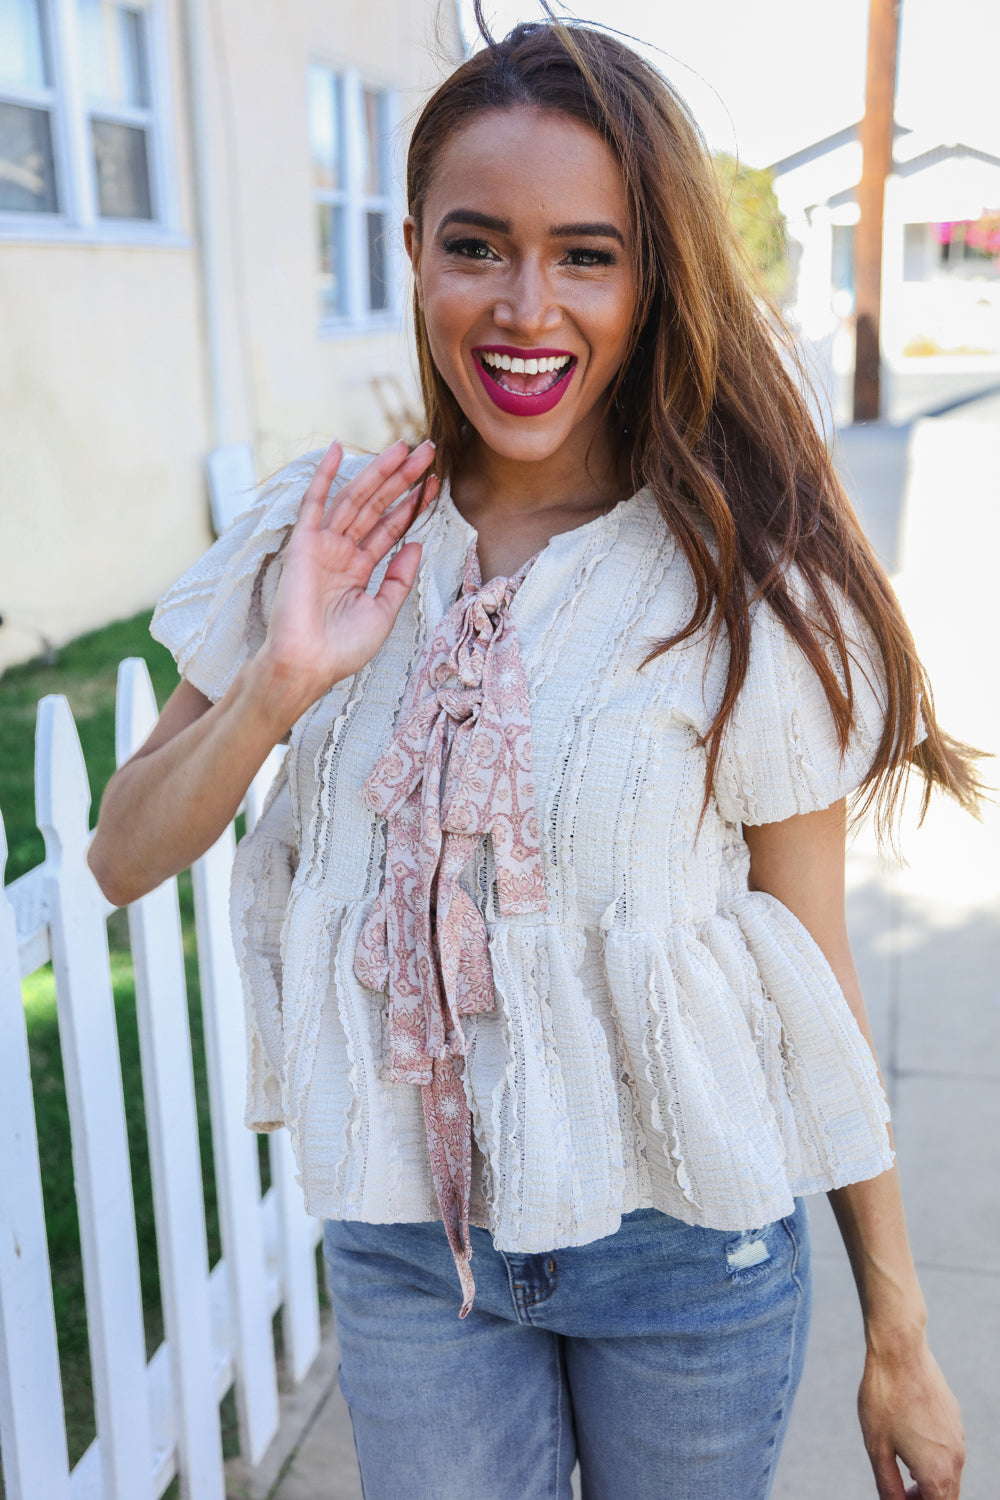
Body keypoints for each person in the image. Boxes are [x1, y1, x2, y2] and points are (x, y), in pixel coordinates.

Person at [88, 13, 979, 1499]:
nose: (525, 306)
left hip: (688, 1249)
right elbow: (120, 855)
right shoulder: (328, 531)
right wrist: (278, 689)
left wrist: (901, 1324)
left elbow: (810, 972)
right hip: (409, 1252)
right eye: (477, 244)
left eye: (586, 253)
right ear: (416, 254)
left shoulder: (742, 580)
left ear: (653, 279)